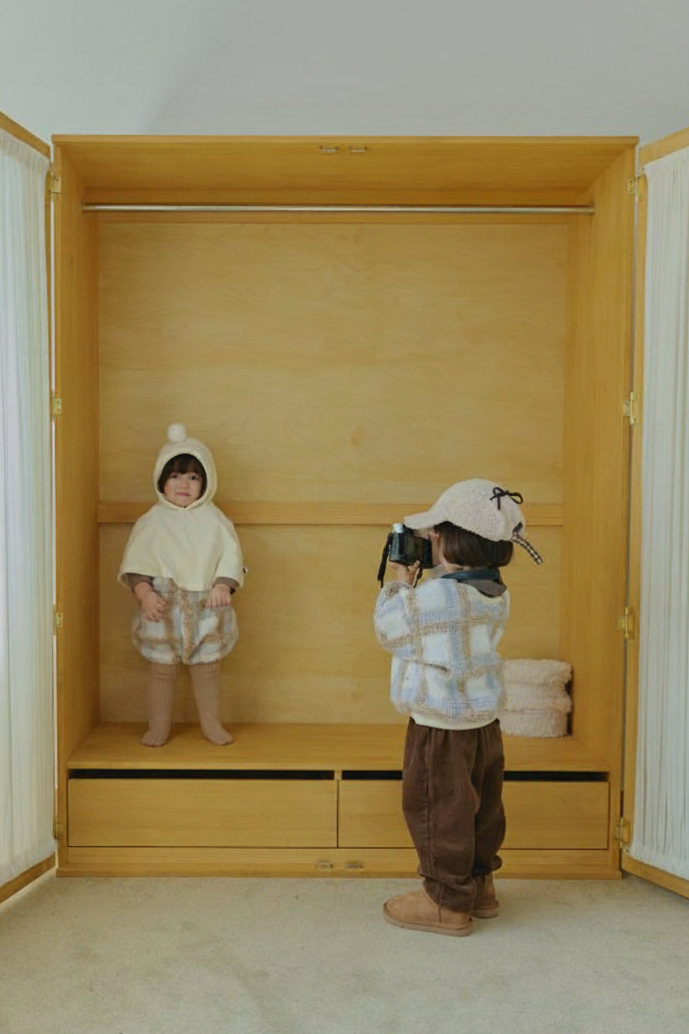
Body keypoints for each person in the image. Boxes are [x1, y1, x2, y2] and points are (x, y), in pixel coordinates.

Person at [373, 478, 543, 936]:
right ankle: (480, 884)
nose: (430, 540)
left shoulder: (436, 596)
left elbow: (390, 630)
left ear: (454, 541)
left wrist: (399, 584)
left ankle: (446, 901)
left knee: (437, 809)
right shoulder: (495, 592)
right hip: (484, 723)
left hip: (439, 725)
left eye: (436, 534)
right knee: (483, 807)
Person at [118, 424, 246, 747]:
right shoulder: (152, 521)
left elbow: (231, 557)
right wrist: (145, 593)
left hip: (206, 607)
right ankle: (158, 726)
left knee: (207, 668)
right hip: (162, 606)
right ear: (161, 480)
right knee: (161, 669)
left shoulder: (215, 520)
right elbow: (136, 565)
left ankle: (211, 724)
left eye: (193, 477)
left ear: (206, 482)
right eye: (175, 476)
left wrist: (223, 586)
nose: (184, 484)